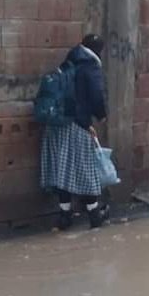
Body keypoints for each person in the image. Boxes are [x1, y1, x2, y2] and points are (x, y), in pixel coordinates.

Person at [40, 34, 109, 230]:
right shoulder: (90, 66)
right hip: (76, 125)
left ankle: (64, 215)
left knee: (62, 171)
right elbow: (96, 95)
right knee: (86, 170)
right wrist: (101, 115)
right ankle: (94, 215)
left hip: (55, 125)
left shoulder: (68, 62)